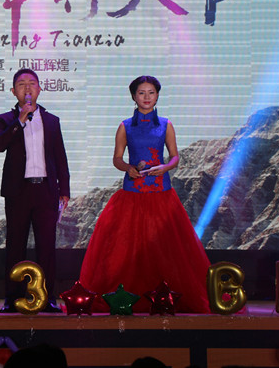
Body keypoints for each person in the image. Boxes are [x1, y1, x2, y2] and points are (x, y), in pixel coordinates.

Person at [78, 75, 211, 313]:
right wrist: (128, 168)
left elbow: (175, 156)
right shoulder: (125, 126)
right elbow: (117, 158)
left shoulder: (166, 125)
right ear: (133, 96)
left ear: (157, 95)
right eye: (142, 93)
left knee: (166, 249)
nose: (147, 97)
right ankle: (127, 297)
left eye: (151, 92)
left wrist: (165, 167)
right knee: (125, 250)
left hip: (161, 193)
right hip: (132, 194)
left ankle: (165, 297)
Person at [0, 68, 70, 313]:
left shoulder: (52, 120)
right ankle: (12, 298)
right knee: (15, 245)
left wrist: (64, 189)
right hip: (18, 191)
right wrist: (20, 120)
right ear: (13, 91)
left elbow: (60, 157)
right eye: (21, 84)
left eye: (32, 83)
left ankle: (47, 298)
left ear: (39, 89)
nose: (27, 88)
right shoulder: (5, 119)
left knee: (47, 247)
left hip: (46, 189)